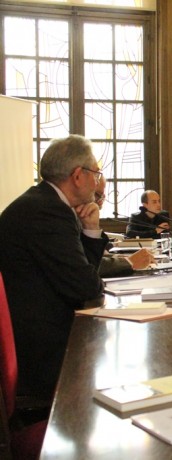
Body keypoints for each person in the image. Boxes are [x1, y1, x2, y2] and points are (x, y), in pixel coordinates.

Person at [0, 134, 108, 399]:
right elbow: (85, 287)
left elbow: (83, 276)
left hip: (39, 334)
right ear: (78, 175)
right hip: (42, 354)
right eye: (95, 173)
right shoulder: (48, 211)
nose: (97, 182)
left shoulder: (44, 202)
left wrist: (91, 230)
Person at [95, 176, 154, 277]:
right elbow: (91, 265)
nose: (102, 199)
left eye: (103, 194)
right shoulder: (71, 219)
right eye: (98, 194)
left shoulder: (163, 216)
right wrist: (129, 261)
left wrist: (124, 258)